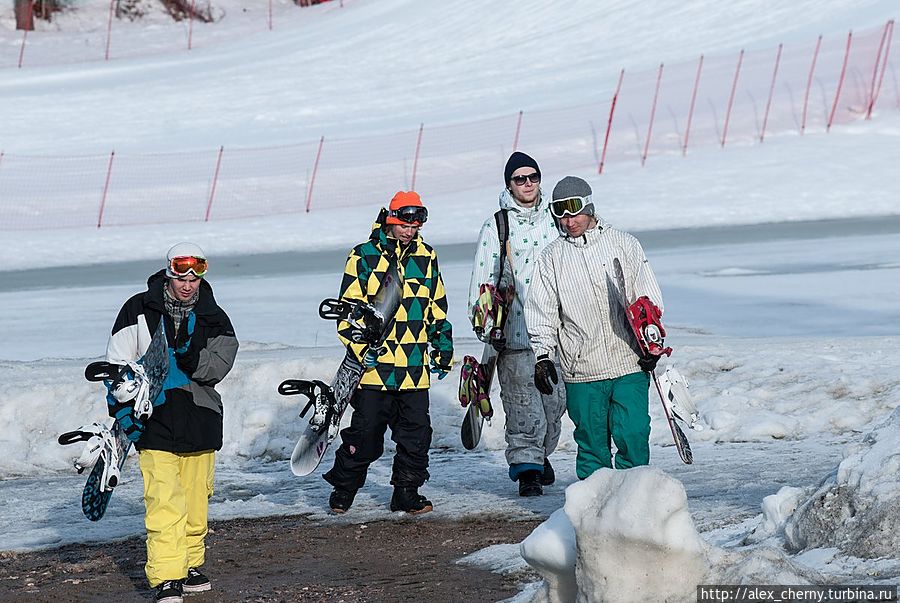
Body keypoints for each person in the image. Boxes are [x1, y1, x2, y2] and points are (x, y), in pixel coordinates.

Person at [105, 242, 238, 603]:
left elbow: (220, 365)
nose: (188, 282)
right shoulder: (138, 308)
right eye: (181, 274)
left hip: (201, 419)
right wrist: (121, 397)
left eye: (195, 275)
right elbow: (117, 361)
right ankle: (167, 577)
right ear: (169, 272)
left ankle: (191, 564)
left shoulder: (215, 316)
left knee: (196, 502)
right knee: (164, 501)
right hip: (155, 418)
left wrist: (191, 355)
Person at [524, 176, 665, 480]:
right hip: (582, 368)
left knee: (634, 436)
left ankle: (633, 506)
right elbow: (542, 311)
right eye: (559, 212)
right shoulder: (551, 258)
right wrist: (544, 356)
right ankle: (595, 515)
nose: (568, 220)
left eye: (573, 210)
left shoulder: (623, 244)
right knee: (591, 445)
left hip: (629, 361)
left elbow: (648, 298)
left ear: (588, 206)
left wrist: (651, 342)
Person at [323, 191, 454, 515]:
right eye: (404, 223)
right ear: (391, 219)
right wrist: (359, 348)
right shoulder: (364, 256)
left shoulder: (426, 256)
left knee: (416, 435)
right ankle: (344, 488)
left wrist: (441, 343)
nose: (410, 230)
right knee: (365, 435)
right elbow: (347, 311)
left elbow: (436, 305)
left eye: (416, 224)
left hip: (413, 365)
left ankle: (406, 493)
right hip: (375, 366)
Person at [467, 151, 567, 497]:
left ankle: (540, 454)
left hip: (558, 332)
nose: (527, 184)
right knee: (523, 403)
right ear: (509, 184)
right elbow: (483, 276)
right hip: (516, 331)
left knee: (555, 404)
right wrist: (484, 324)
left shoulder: (557, 218)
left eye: (533, 177)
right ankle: (527, 469)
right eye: (519, 179)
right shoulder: (498, 224)